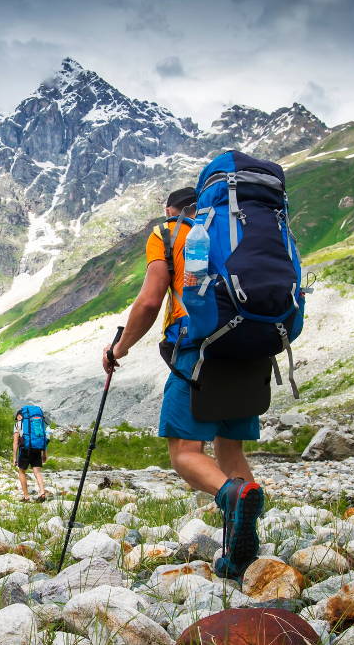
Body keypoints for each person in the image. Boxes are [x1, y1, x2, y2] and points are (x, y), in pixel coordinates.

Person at [100, 187, 264, 580]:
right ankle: (243, 553)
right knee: (229, 450)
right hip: (251, 348)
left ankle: (235, 497)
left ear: (171, 208)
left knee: (185, 453)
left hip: (198, 348)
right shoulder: (242, 229)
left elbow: (150, 301)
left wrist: (118, 348)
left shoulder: (170, 231)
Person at [13, 408, 48, 503]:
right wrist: (44, 453)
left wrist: (14, 458)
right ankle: (42, 492)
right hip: (37, 448)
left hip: (25, 450)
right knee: (37, 472)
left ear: (20, 416)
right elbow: (43, 437)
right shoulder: (37, 424)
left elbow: (15, 442)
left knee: (21, 472)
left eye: (17, 417)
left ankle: (26, 496)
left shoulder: (18, 424)